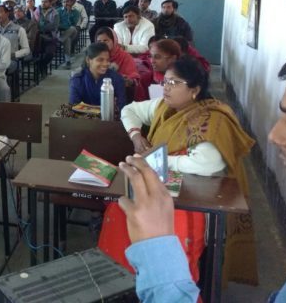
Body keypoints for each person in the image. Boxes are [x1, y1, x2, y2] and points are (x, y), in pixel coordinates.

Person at [98, 56, 257, 287]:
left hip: (195, 196)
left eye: (173, 83)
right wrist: (136, 135)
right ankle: (124, 280)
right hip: (165, 187)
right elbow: (129, 110)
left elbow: (206, 164)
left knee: (163, 225)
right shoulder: (165, 107)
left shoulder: (212, 119)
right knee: (120, 208)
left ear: (194, 90)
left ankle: (169, 285)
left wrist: (159, 160)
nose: (165, 88)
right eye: (165, 82)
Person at [69, 43, 125, 111]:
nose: (105, 64)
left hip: (109, 117)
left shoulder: (117, 79)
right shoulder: (77, 80)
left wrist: (87, 108)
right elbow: (74, 107)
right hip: (83, 117)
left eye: (107, 60)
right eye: (100, 60)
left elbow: (122, 108)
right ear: (88, 60)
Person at [35, 0, 58, 76]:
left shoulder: (55, 12)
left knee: (50, 54)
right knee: (36, 53)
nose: (43, 3)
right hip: (38, 35)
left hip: (50, 36)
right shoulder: (37, 11)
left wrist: (42, 26)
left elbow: (54, 26)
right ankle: (41, 66)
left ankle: (42, 64)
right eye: (42, 2)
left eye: (45, 2)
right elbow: (34, 23)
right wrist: (43, 25)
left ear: (50, 3)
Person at [57, 0, 80, 68]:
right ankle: (68, 61)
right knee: (67, 39)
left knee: (72, 28)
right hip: (60, 32)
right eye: (63, 2)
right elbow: (57, 24)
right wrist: (65, 26)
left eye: (67, 1)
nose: (65, 3)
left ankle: (59, 41)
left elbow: (74, 23)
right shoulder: (58, 11)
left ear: (71, 2)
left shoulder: (76, 12)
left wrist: (68, 13)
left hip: (72, 32)